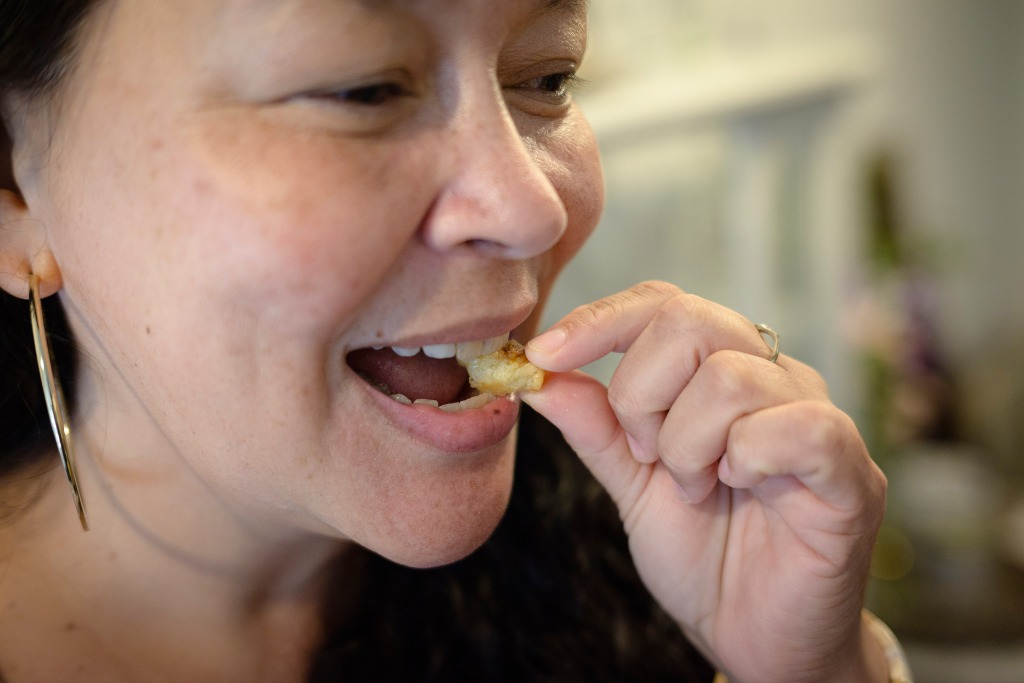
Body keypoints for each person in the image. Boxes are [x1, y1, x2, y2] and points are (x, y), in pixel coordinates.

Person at [0, 0, 903, 681]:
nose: (531, 207)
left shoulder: (645, 551)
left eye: (547, 78)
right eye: (363, 89)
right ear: (15, 190)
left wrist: (815, 669)